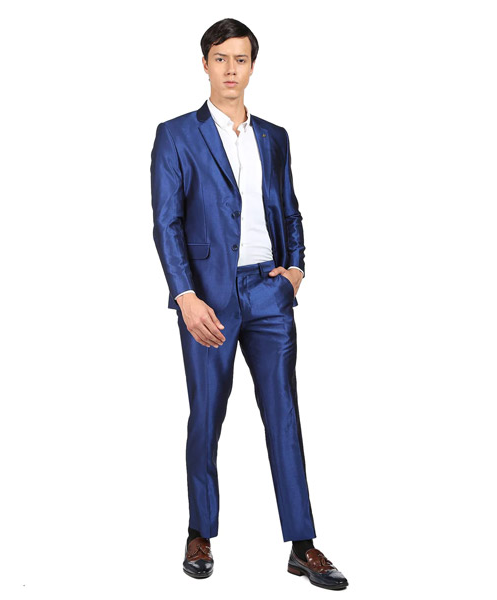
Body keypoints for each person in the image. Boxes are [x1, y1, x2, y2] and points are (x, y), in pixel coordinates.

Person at [150, 18, 348, 590]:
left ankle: (302, 545)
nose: (231, 69)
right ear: (205, 64)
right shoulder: (176, 135)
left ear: (252, 66)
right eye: (221, 58)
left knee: (284, 414)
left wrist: (296, 270)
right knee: (207, 414)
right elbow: (166, 222)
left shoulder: (274, 137)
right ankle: (200, 532)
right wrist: (185, 296)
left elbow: (289, 208)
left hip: (269, 291)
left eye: (240, 59)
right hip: (207, 298)